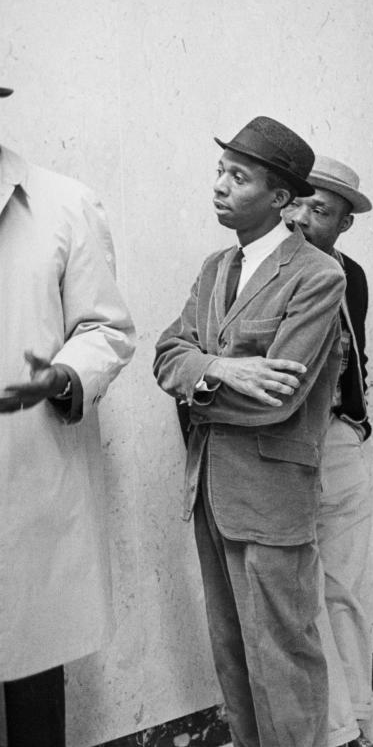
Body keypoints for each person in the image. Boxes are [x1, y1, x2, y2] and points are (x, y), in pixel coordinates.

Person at [153, 116, 346, 747]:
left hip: (271, 500)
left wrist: (195, 389)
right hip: (210, 491)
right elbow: (165, 355)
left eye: (239, 176)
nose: (220, 186)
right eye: (220, 172)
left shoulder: (318, 276)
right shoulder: (215, 268)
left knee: (283, 659)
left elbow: (277, 403)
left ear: (282, 198)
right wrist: (222, 368)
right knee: (233, 654)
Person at [1, 85, 136, 747]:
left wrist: (63, 375)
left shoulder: (63, 203)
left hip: (26, 484)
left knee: (28, 665)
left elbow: (106, 330)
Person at [282, 155, 373, 747]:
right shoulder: (274, 269)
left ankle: (355, 718)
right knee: (310, 594)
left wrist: (356, 426)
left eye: (321, 210)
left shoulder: (349, 275)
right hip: (290, 448)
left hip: (336, 441)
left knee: (341, 590)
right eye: (298, 202)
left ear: (344, 223)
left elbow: (351, 358)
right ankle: (343, 728)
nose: (301, 218)